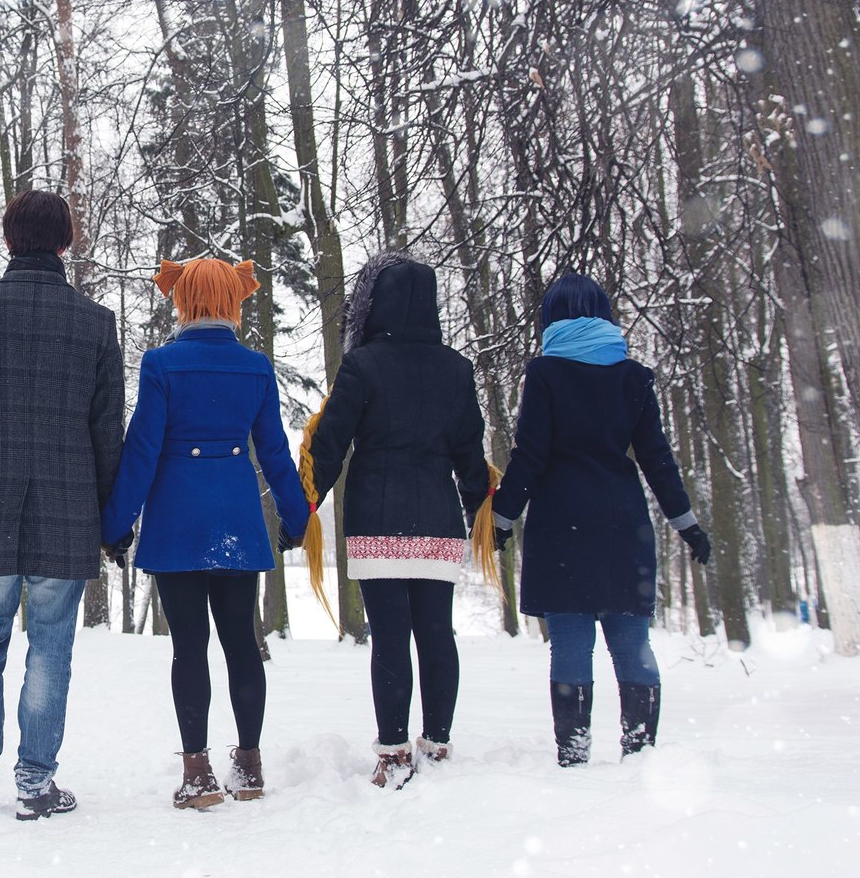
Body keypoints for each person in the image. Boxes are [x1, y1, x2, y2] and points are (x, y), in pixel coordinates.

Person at [0, 189, 125, 820]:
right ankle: (36, 783)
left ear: (8, 238)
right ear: (65, 241)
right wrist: (113, 521)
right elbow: (106, 435)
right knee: (50, 646)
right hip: (67, 513)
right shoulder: (94, 323)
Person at [101, 258, 309, 809]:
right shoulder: (256, 367)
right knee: (242, 644)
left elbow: (143, 449)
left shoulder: (162, 364)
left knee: (189, 648)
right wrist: (296, 516)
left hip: (176, 523)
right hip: (236, 520)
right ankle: (251, 765)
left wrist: (116, 526)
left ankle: (197, 775)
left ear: (184, 299)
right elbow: (274, 452)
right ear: (233, 301)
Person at [491, 273, 710, 767]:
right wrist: (686, 523)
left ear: (552, 317)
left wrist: (502, 519)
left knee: (570, 641)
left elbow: (529, 456)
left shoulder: (545, 374)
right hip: (621, 520)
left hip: (560, 522)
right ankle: (640, 750)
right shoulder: (632, 377)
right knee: (632, 640)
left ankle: (573, 751)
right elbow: (658, 459)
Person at [305, 252, 490, 789]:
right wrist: (486, 512)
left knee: (389, 636)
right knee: (437, 632)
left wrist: (304, 509)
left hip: (376, 516)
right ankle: (437, 741)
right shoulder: (456, 369)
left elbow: (331, 444)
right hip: (437, 514)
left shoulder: (362, 366)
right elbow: (469, 454)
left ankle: (392, 750)